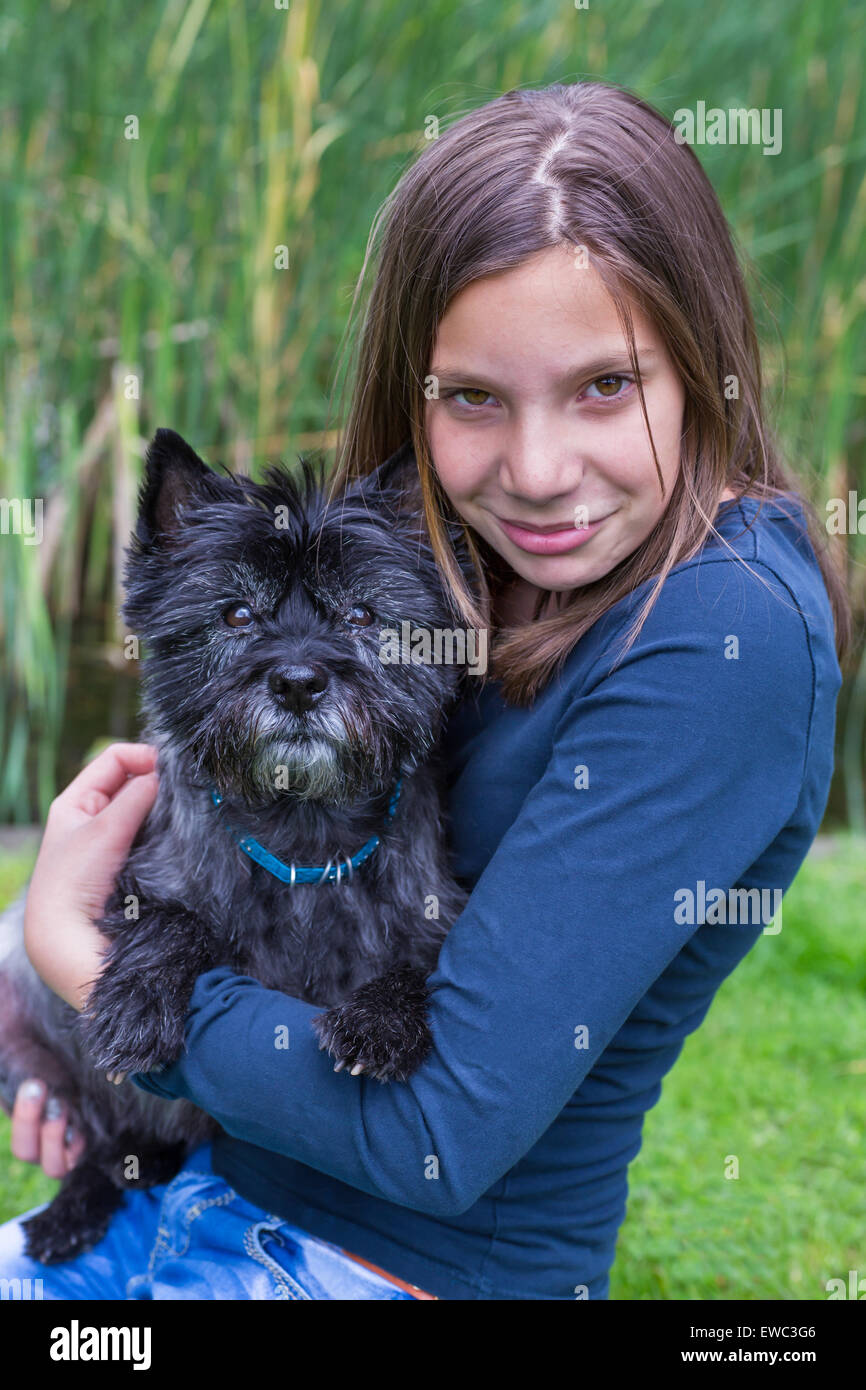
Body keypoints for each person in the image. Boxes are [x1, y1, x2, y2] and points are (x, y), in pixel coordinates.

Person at [0, 80, 848, 1300]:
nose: (539, 472)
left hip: (382, 1269)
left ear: (701, 359)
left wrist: (84, 962)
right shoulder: (443, 554)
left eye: (604, 385)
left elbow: (435, 1128)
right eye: (471, 398)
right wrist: (70, 1052)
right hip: (208, 1195)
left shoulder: (722, 635)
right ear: (413, 390)